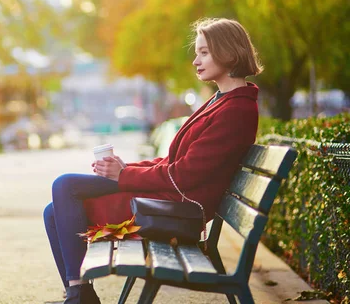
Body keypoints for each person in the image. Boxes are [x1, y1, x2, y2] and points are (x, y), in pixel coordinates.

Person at [43, 18, 263, 304]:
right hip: (168, 198)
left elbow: (183, 175)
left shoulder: (236, 109)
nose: (196, 60)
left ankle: (77, 296)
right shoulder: (222, 101)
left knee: (65, 187)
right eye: (197, 52)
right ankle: (80, 294)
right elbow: (174, 161)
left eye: (204, 52)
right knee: (55, 208)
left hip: (175, 208)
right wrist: (125, 170)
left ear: (230, 53)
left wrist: (123, 176)